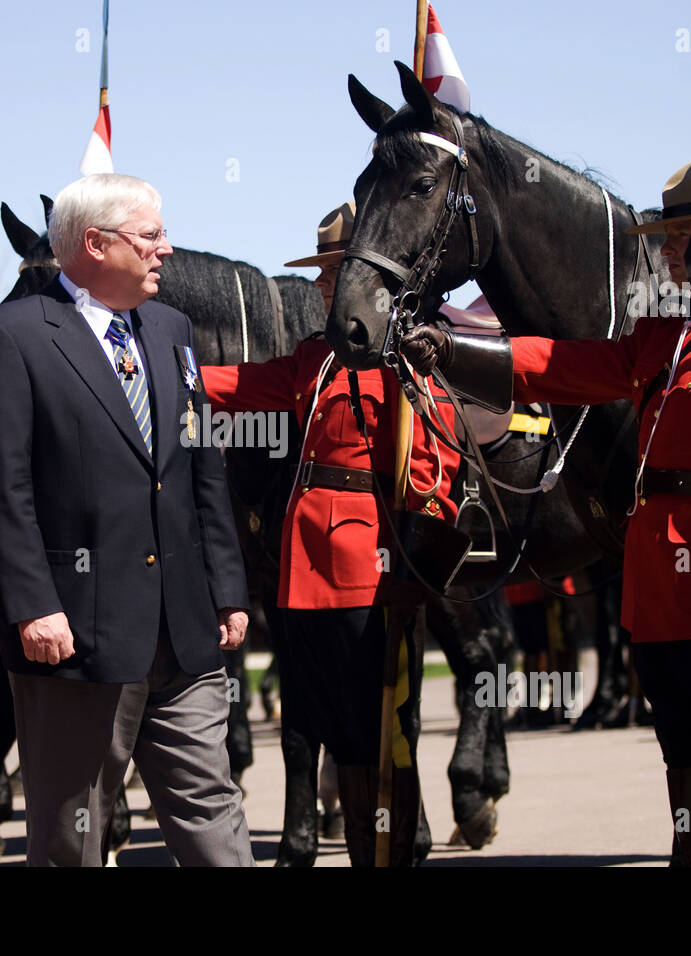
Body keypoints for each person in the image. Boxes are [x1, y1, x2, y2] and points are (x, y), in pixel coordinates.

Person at [402, 158, 691, 866]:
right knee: (680, 746)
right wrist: (454, 350)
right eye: (671, 239)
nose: (676, 253)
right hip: (658, 586)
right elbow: (562, 365)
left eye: (690, 236)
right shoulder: (661, 338)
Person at [0, 173, 253, 867]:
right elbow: (2, 489)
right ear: (94, 243)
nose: (167, 250)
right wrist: (33, 606)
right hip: (75, 635)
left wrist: (227, 586)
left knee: (213, 812)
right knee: (75, 830)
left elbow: (200, 467)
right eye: (151, 236)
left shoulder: (172, 330)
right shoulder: (10, 337)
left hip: (184, 629)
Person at [201, 202, 461, 866]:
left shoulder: (407, 361)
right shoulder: (311, 357)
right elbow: (233, 386)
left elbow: (435, 467)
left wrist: (417, 563)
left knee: (379, 727)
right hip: (303, 565)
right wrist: (159, 375)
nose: (326, 286)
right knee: (331, 727)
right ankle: (360, 849)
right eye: (321, 275)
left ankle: (390, 850)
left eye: (337, 272)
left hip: (365, 565)